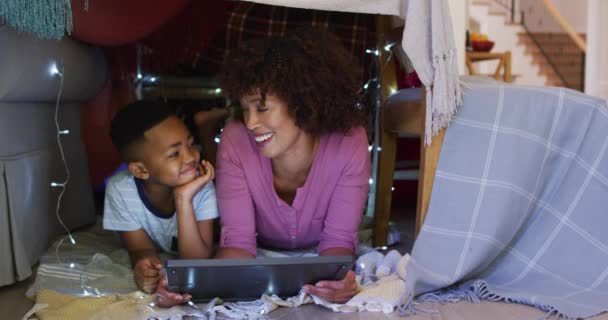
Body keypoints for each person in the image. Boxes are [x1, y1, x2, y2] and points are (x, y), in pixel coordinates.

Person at [215, 27, 371, 303]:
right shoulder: (234, 139)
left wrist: (337, 279)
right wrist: (203, 284)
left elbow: (337, 242)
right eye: (244, 109)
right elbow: (238, 243)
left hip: (320, 251)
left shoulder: (350, 141)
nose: (250, 123)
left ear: (303, 102)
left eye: (261, 108)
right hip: (259, 253)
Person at [103, 100, 218, 305]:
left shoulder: (202, 187)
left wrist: (183, 199)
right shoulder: (121, 190)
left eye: (191, 144)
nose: (191, 157)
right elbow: (141, 250)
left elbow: (195, 261)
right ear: (141, 170)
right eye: (174, 154)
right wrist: (145, 269)